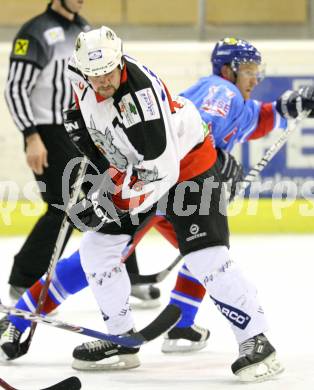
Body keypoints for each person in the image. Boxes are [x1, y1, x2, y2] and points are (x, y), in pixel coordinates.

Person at [2, 34, 313, 380]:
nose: (103, 81)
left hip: (185, 168)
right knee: (96, 247)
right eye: (95, 74)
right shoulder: (83, 73)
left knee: (205, 255)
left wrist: (108, 203)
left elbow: (161, 171)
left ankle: (257, 341)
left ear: (121, 60)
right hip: (136, 169)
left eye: (109, 72)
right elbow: (97, 126)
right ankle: (120, 337)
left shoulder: (152, 97)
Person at [3, 0, 159, 308]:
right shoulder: (35, 32)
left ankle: (127, 272)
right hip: (48, 131)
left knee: (116, 194)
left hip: (83, 129)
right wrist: (31, 136)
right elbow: (15, 89)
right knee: (64, 204)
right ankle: (25, 279)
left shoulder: (83, 30)